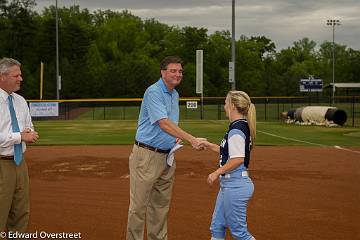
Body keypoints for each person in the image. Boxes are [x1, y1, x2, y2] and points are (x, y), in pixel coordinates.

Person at [126, 56, 205, 240]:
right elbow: (163, 123)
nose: (178, 74)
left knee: (161, 207)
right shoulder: (153, 92)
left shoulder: (174, 94)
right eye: (173, 70)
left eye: (180, 71)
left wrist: (176, 139)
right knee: (138, 207)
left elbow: (171, 124)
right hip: (147, 156)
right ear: (163, 73)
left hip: (167, 157)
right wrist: (191, 139)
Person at [200, 91, 256, 240]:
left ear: (232, 106)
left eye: (226, 103)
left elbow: (237, 159)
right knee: (217, 226)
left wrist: (216, 172)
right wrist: (209, 145)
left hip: (235, 185)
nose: (224, 106)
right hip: (230, 184)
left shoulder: (237, 129)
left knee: (240, 234)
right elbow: (230, 151)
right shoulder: (240, 126)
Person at [0, 57, 39, 234]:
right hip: (2, 165)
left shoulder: (21, 101)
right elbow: (20, 135)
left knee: (21, 214)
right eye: (16, 75)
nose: (20, 79)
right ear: (2, 77)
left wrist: (29, 133)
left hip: (19, 164)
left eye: (20, 75)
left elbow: (28, 127)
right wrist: (20, 136)